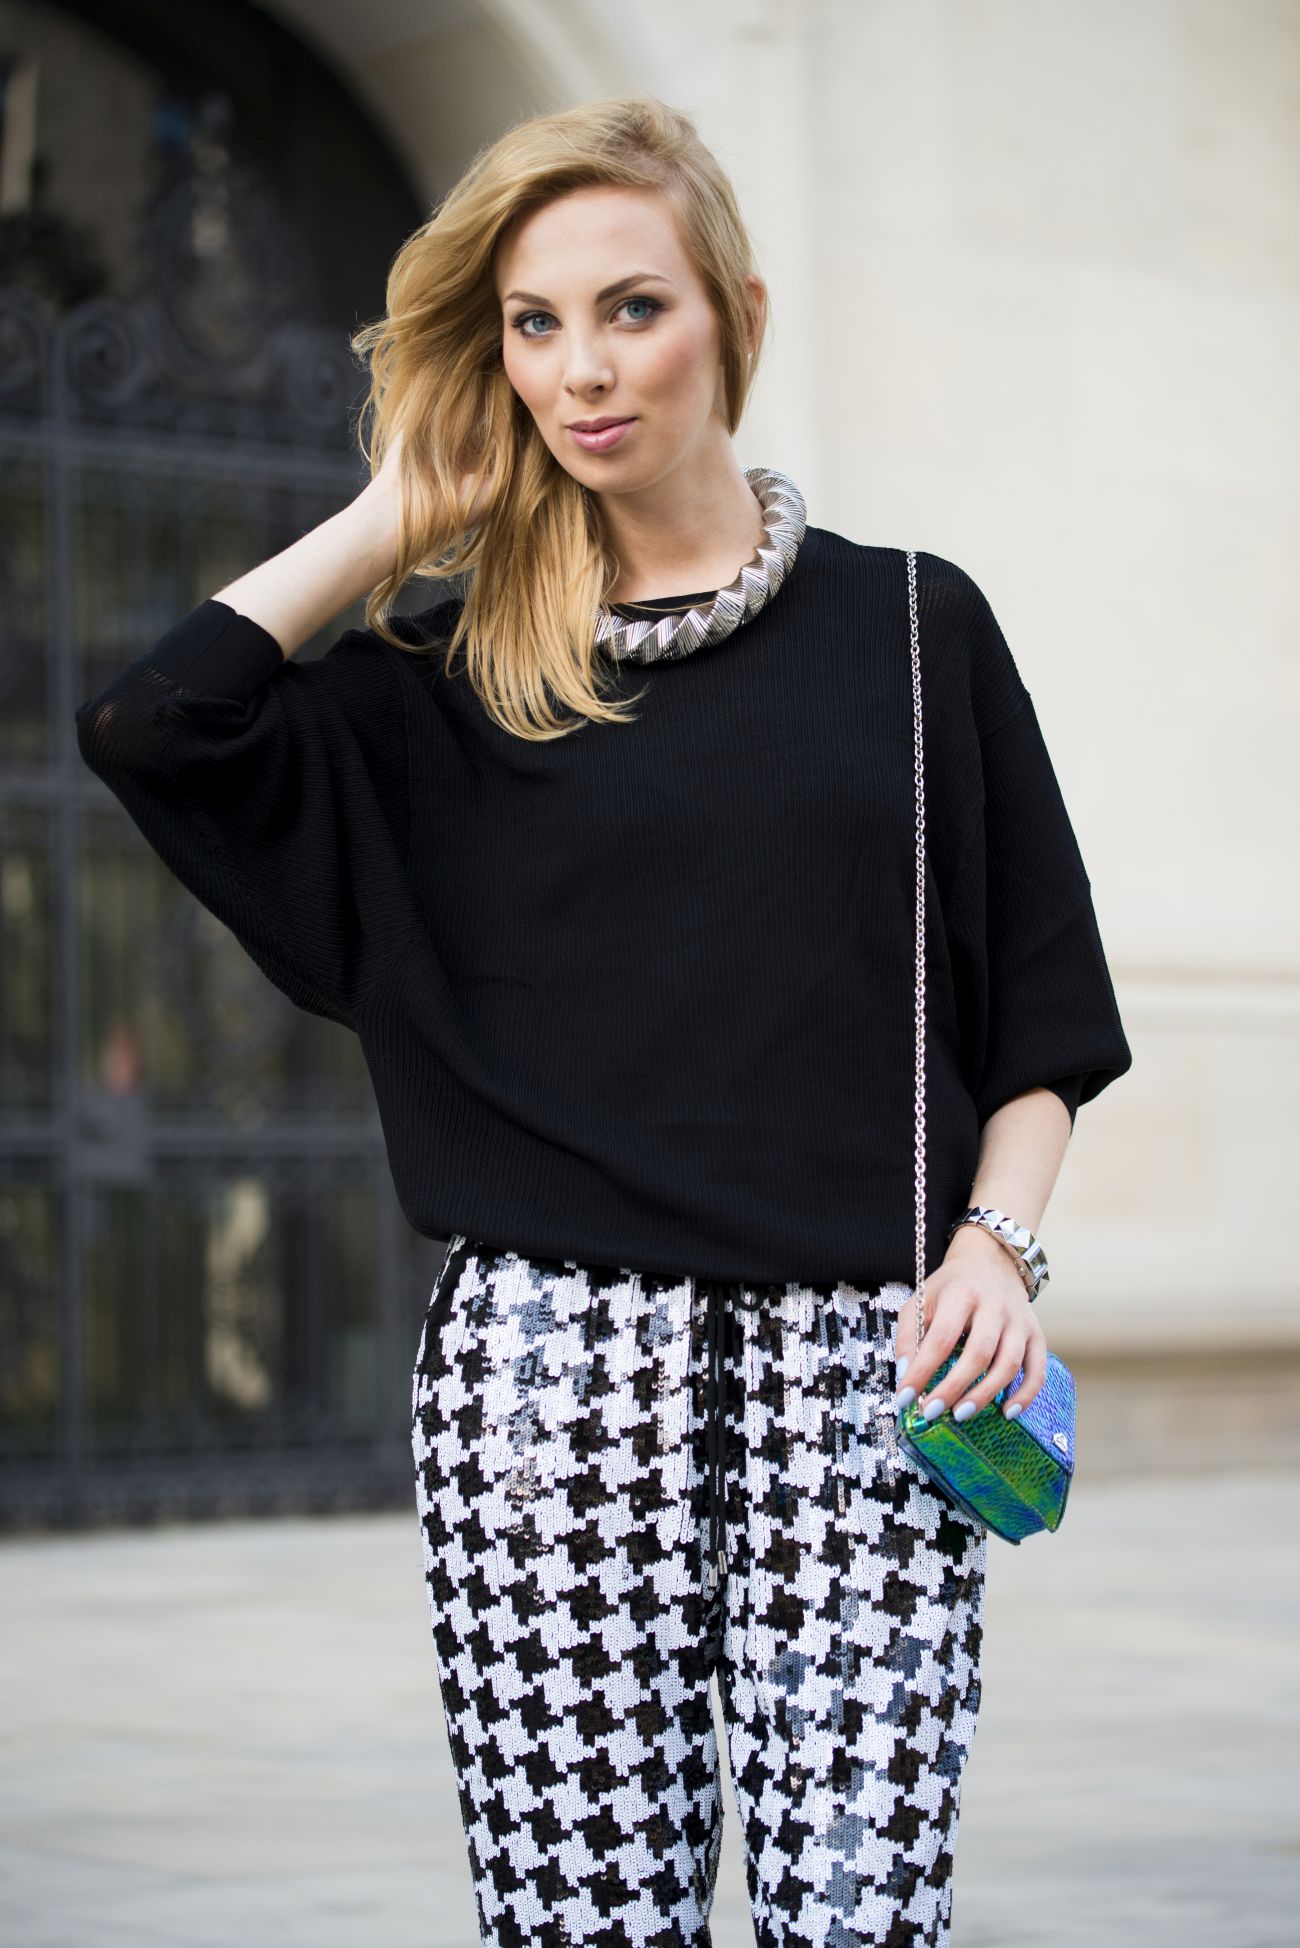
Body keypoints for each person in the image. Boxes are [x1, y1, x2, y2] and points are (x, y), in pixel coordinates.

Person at [75, 94, 1132, 1948]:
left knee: (863, 1914)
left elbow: (1039, 1009)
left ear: (734, 313)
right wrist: (399, 515)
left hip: (863, 1366)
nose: (581, 367)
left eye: (633, 307)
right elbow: (158, 725)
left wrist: (999, 1245)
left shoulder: (912, 633)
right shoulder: (446, 676)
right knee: (581, 1925)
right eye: (533, 323)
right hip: (553, 1376)